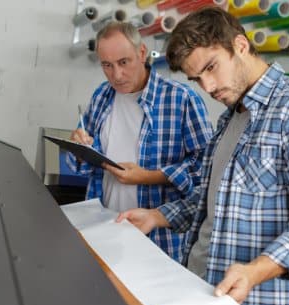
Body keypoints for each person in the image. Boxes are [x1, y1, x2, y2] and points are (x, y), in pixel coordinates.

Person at [116, 7, 289, 305]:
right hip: (205, 289)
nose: (208, 87)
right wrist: (157, 216)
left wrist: (255, 270)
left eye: (211, 68)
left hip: (261, 302)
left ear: (240, 45)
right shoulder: (230, 117)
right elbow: (215, 198)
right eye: (197, 78)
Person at [67, 21, 213, 262]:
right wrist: (80, 147)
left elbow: (206, 169)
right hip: (105, 226)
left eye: (124, 62)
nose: (117, 75)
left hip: (159, 240)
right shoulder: (102, 95)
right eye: (107, 65)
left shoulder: (182, 99)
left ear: (142, 53)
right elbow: (84, 166)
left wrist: (147, 176)